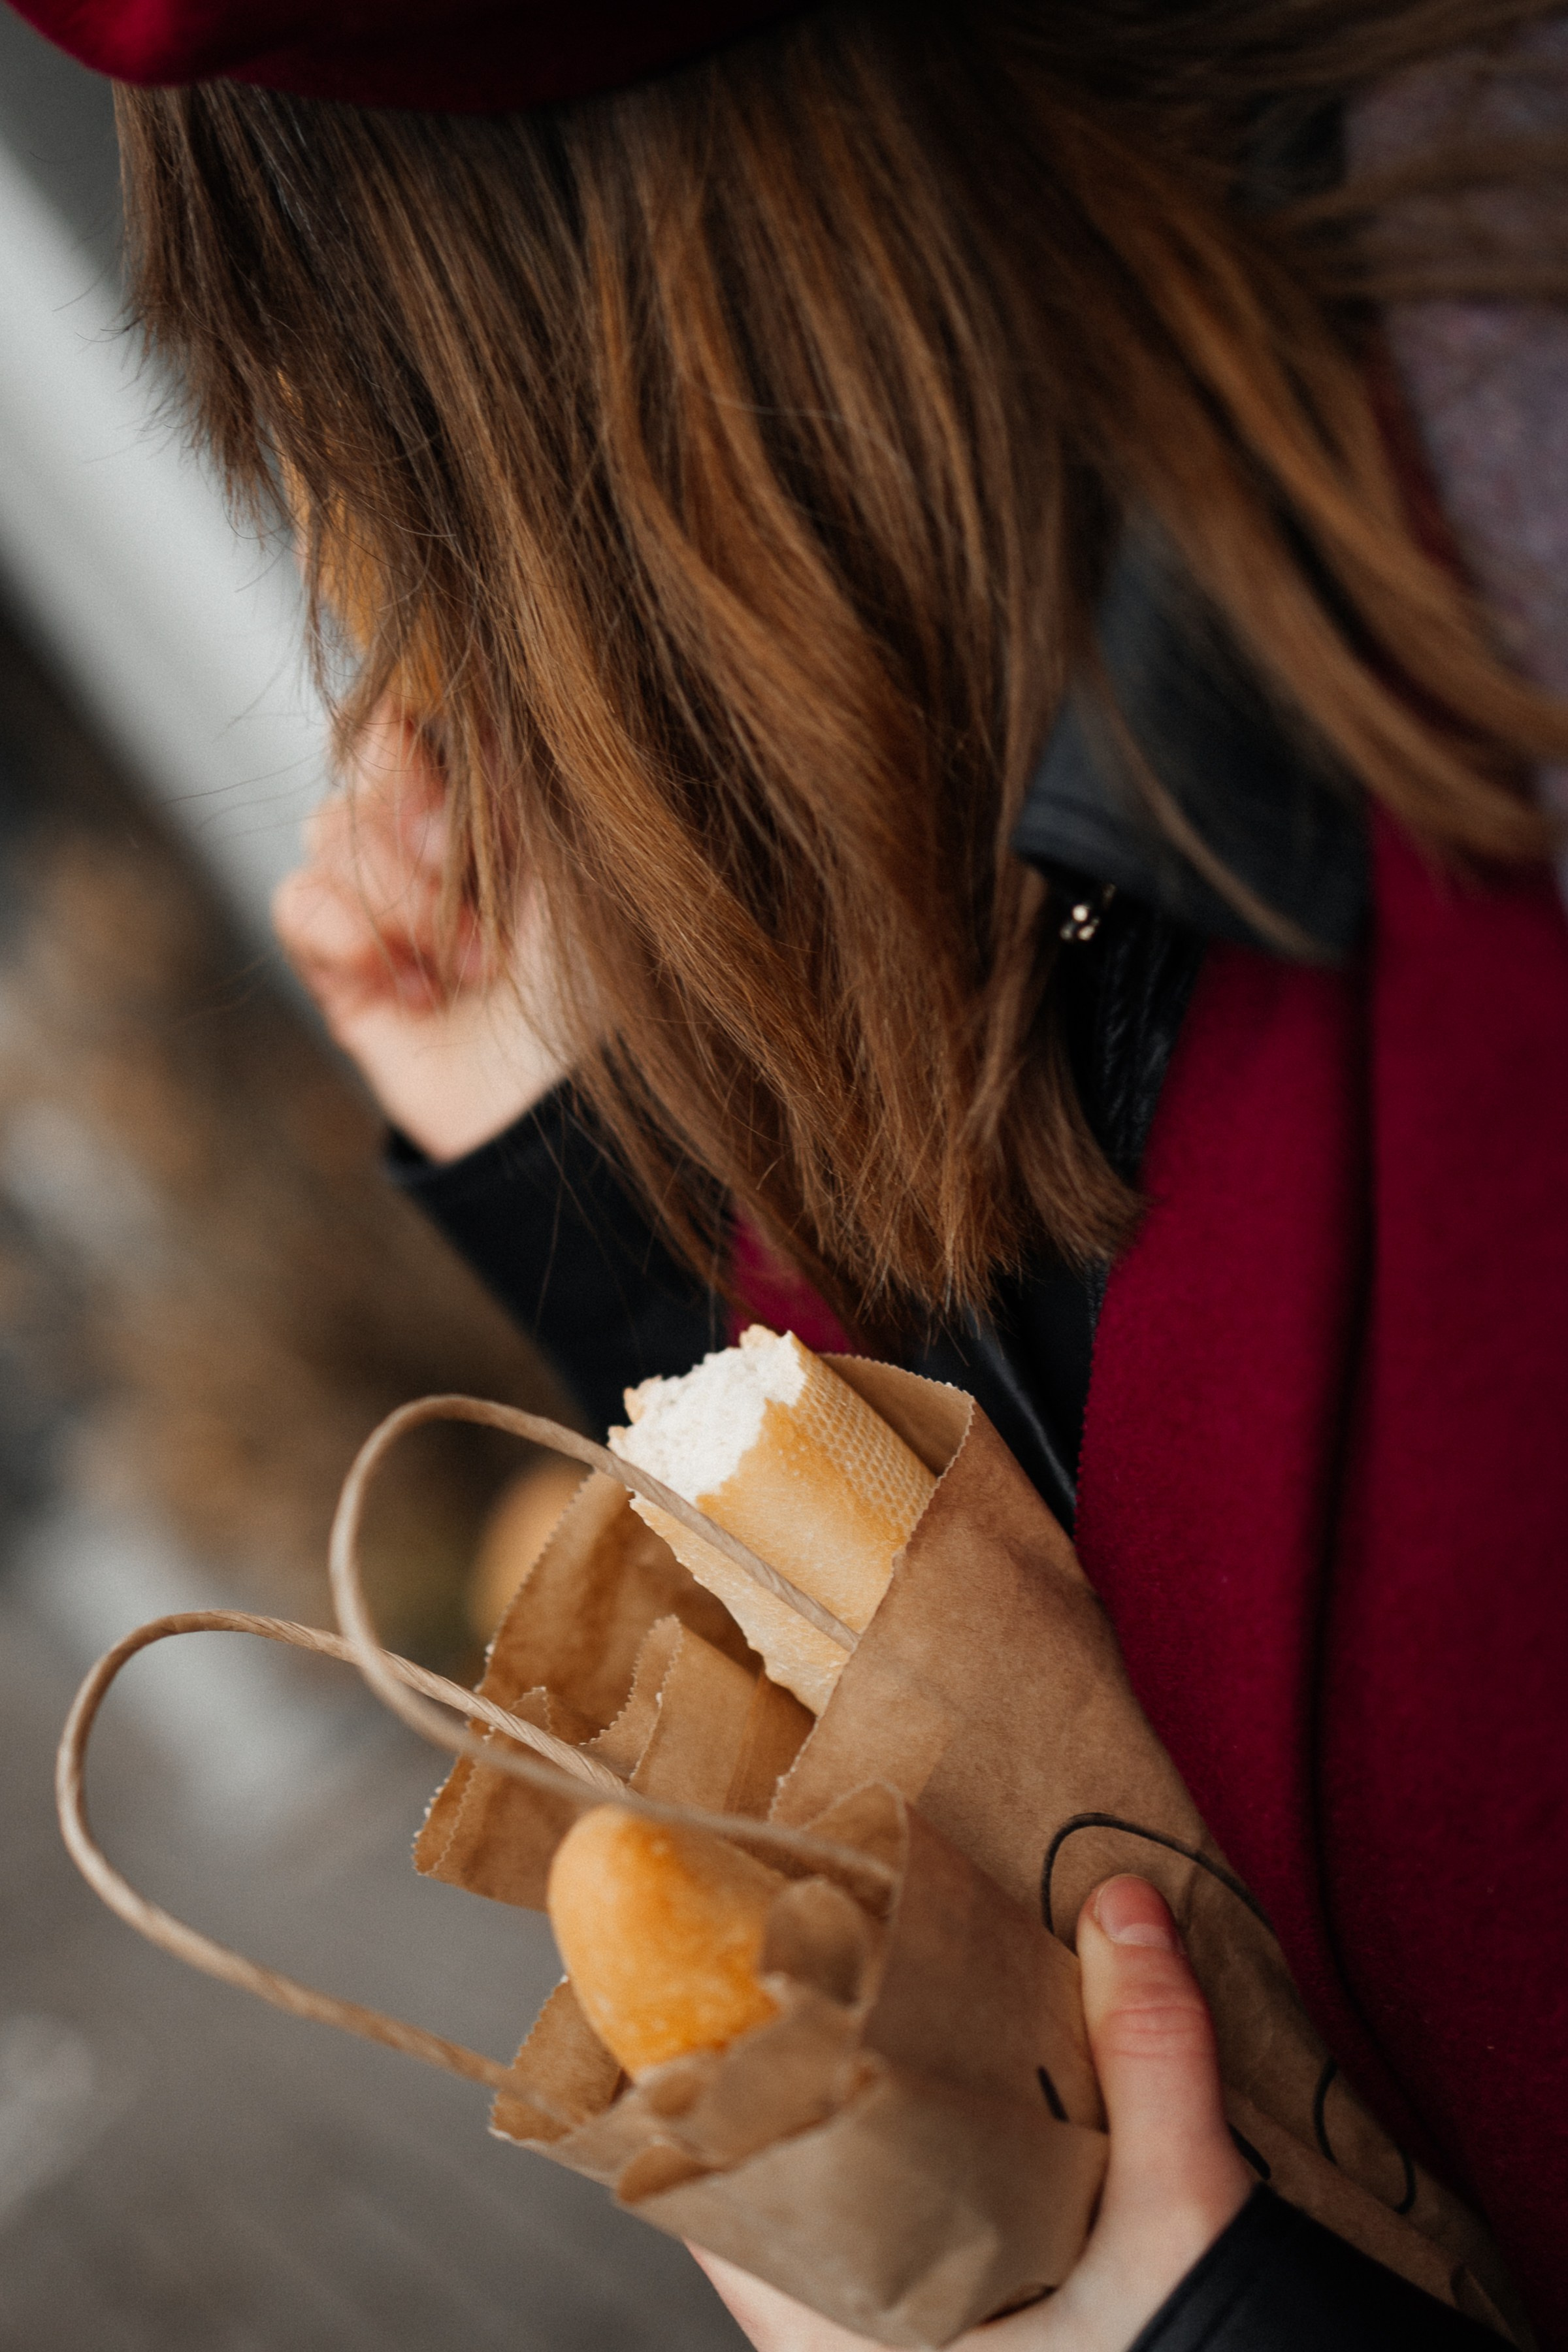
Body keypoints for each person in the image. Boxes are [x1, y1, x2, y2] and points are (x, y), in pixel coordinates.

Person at [14, 1, 1567, 2344]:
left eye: (400, 480)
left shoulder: (1470, 833)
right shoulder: (1024, 842)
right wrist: (574, 1153)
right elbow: (1048, 1634)